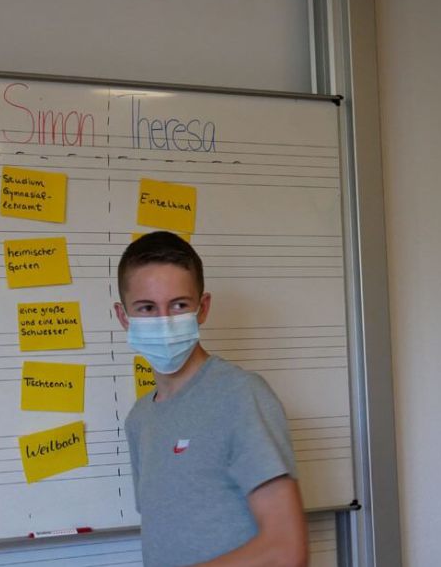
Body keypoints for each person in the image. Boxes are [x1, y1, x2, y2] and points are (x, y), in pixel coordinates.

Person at [116, 231, 308, 567]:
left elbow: (287, 551)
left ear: (202, 308)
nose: (164, 322)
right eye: (147, 308)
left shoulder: (241, 395)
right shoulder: (139, 419)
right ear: (123, 317)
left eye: (179, 305)